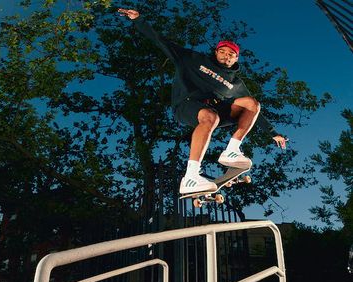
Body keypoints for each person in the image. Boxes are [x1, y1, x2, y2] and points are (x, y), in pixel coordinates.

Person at [118, 8, 288, 194]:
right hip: (186, 105)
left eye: (231, 54)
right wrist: (139, 20)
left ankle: (231, 150)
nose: (226, 56)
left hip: (215, 112)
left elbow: (255, 112)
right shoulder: (193, 59)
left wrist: (273, 133)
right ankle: (191, 177)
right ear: (216, 53)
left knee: (251, 103)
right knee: (209, 116)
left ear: (236, 59)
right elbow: (162, 42)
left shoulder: (236, 83)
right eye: (222, 52)